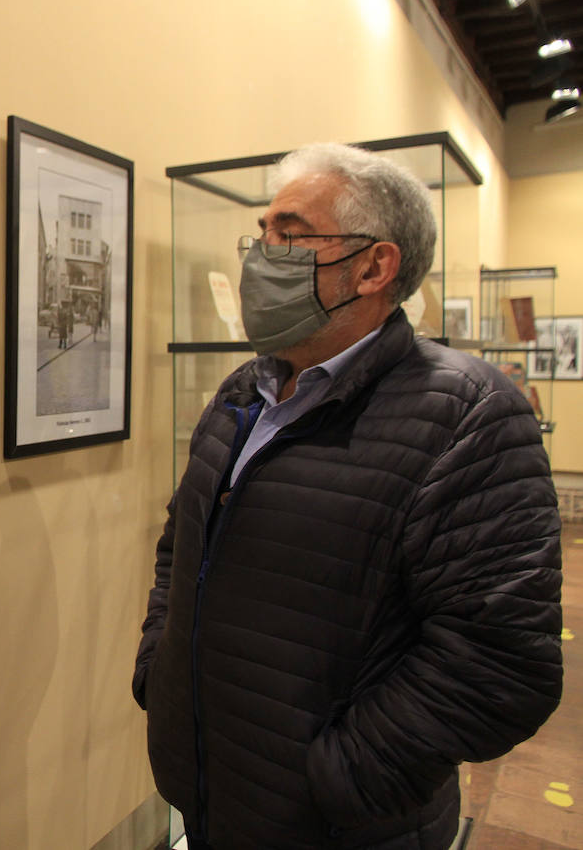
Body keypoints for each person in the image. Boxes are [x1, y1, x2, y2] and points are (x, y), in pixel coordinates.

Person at [133, 143, 562, 849]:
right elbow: (181, 551)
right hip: (214, 796)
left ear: (373, 266)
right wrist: (162, 675)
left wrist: (339, 778)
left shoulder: (469, 414)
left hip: (343, 828)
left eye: (291, 235)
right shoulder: (244, 393)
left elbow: (501, 660)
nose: (262, 254)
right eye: (262, 233)